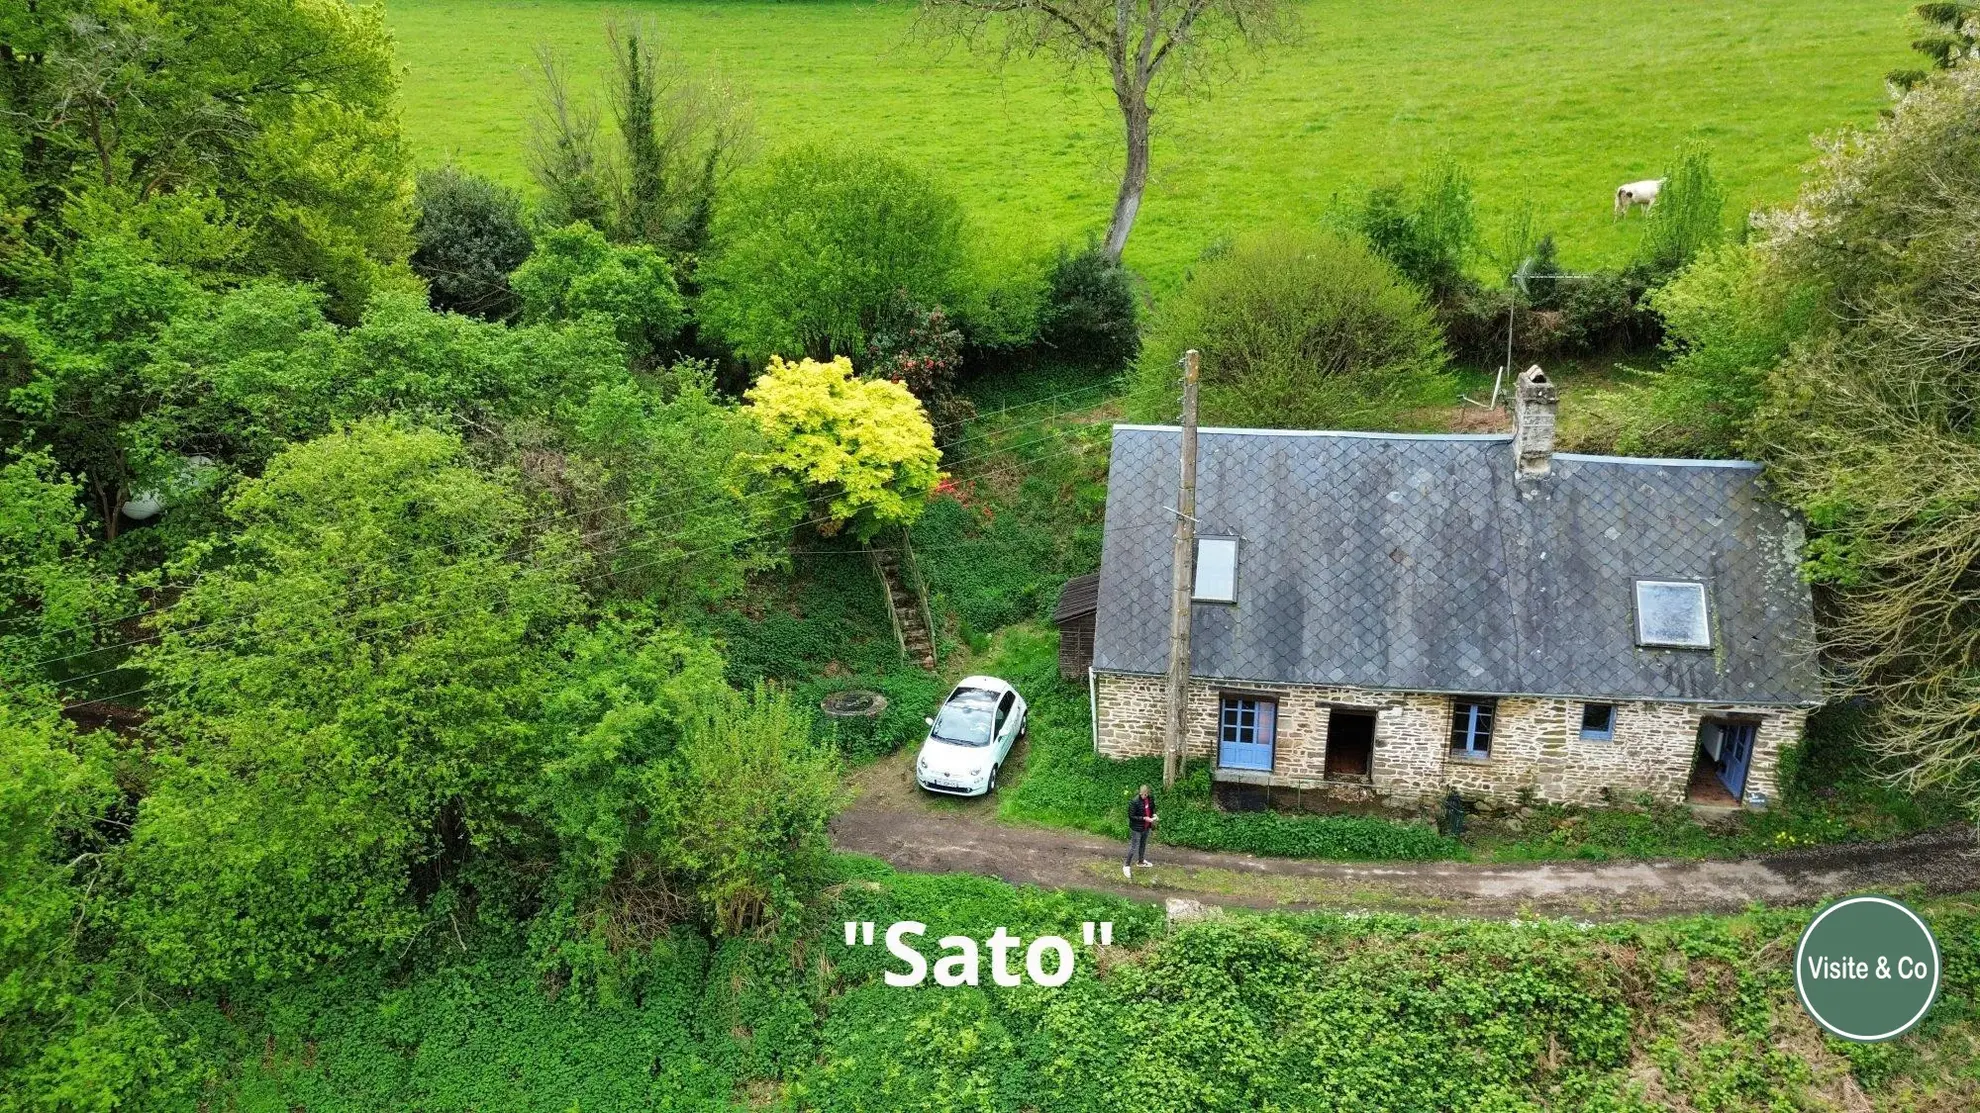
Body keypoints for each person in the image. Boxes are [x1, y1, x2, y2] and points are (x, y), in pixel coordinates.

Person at [1124, 784, 1157, 877]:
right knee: (1134, 847)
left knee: (1143, 844)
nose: (1143, 796)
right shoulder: (1134, 802)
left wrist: (1154, 815)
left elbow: (1153, 808)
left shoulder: (1150, 799)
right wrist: (1144, 818)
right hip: (1136, 828)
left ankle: (1141, 862)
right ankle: (1126, 866)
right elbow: (1131, 816)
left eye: (1145, 794)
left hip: (1146, 827)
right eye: (1142, 794)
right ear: (1140, 793)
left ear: (1148, 793)